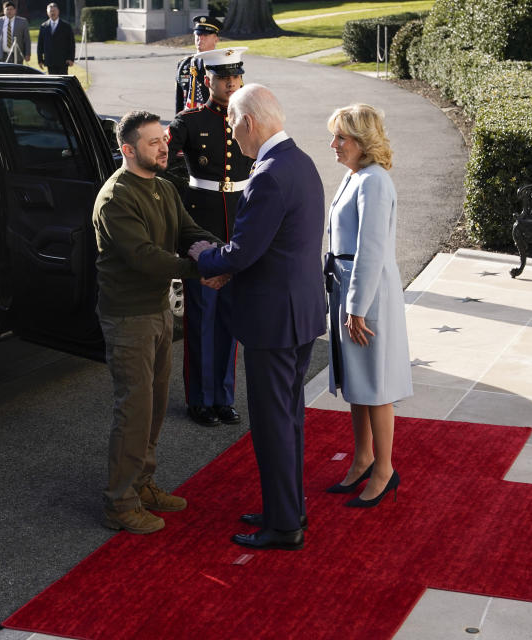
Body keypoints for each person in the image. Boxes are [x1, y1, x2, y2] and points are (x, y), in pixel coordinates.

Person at [190, 84, 326, 550]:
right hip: (298, 313)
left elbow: (244, 251)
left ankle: (284, 526)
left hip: (274, 320)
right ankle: (287, 507)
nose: (230, 134)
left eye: (231, 124)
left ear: (248, 122)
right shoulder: (300, 160)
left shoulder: (268, 172)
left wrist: (205, 258)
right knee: (288, 418)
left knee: (273, 422)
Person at [93, 110, 225, 535]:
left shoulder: (164, 188)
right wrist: (200, 271)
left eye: (163, 139)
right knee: (134, 410)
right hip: (128, 316)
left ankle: (143, 483)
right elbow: (146, 259)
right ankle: (119, 503)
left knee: (153, 407)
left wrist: (222, 252)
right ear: (128, 150)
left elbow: (188, 231)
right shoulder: (116, 198)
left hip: (157, 312)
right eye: (153, 143)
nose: (164, 147)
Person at [324, 104, 412, 507]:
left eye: (342, 137)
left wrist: (356, 307)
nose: (334, 144)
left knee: (375, 385)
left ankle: (384, 469)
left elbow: (371, 249)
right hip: (348, 285)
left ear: (362, 141)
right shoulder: (355, 175)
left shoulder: (374, 181)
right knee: (357, 382)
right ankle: (362, 458)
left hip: (367, 290)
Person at [167, 47, 252, 427]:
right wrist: (179, 220)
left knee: (230, 319)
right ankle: (199, 399)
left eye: (235, 77)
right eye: (222, 78)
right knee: (201, 318)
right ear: (208, 82)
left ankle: (223, 397)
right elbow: (164, 166)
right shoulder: (189, 121)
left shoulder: (249, 119)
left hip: (240, 228)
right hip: (201, 231)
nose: (230, 83)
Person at [174, 15, 220, 114]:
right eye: (198, 34)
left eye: (205, 35)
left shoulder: (223, 63)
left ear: (216, 39)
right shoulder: (184, 64)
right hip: (189, 121)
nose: (200, 38)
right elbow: (180, 99)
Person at [37, 3, 74, 75]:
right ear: (47, 13)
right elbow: (40, 45)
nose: (52, 13)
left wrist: (71, 58)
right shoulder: (43, 26)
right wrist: (40, 60)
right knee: (52, 83)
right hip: (49, 61)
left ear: (58, 11)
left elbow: (71, 43)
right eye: (50, 11)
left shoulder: (66, 26)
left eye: (54, 11)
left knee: (63, 82)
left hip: (63, 61)